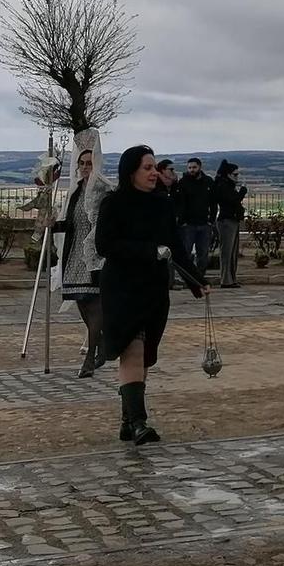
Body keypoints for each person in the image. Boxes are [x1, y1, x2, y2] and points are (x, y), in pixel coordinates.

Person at [97, 145, 207, 445]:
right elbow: (105, 246)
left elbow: (176, 246)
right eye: (147, 167)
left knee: (143, 357)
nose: (154, 173)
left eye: (155, 167)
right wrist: (148, 251)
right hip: (122, 287)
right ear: (130, 171)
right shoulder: (114, 203)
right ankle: (139, 422)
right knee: (131, 350)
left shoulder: (162, 204)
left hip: (154, 289)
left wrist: (197, 280)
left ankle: (127, 420)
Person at [53, 136, 112, 377]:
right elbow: (70, 223)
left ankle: (90, 357)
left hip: (95, 255)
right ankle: (100, 343)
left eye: (89, 163)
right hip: (75, 254)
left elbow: (106, 223)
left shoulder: (103, 190)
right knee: (81, 303)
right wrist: (53, 225)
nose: (86, 168)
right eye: (82, 164)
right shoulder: (76, 192)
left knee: (95, 305)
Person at [171, 157, 214, 284]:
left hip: (204, 224)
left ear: (200, 167)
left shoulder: (208, 182)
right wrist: (182, 221)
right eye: (189, 168)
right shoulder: (183, 183)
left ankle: (199, 278)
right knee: (186, 254)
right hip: (188, 224)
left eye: (194, 167)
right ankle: (187, 278)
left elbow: (213, 202)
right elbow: (180, 203)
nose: (192, 170)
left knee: (203, 255)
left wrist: (211, 219)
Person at [212, 161, 248, 288]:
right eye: (235, 174)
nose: (237, 177)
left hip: (231, 220)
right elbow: (233, 200)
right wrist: (242, 191)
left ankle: (230, 279)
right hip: (226, 221)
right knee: (227, 252)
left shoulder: (227, 185)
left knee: (232, 252)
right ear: (228, 174)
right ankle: (226, 280)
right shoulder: (223, 186)